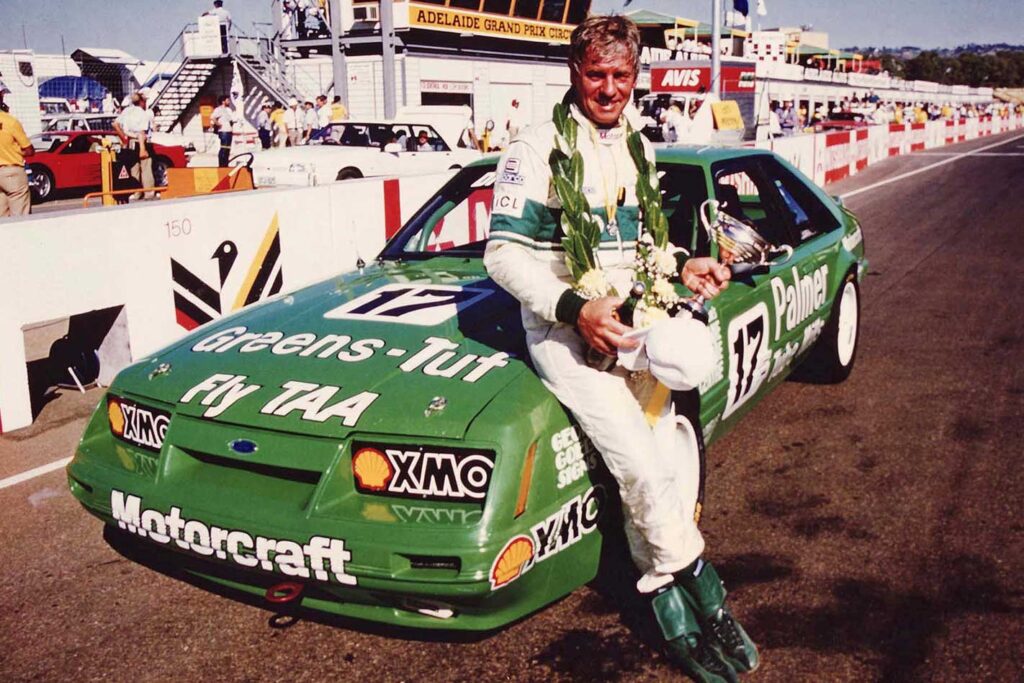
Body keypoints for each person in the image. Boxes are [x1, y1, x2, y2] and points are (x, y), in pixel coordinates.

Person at [483, 14, 756, 683]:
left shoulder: (638, 138)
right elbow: (501, 254)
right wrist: (574, 308)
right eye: (596, 74)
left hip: (631, 315)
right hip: (564, 334)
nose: (609, 88)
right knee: (639, 459)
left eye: (621, 76)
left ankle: (667, 577)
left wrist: (682, 265)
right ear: (574, 72)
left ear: (637, 76)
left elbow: (641, 246)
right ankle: (692, 592)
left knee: (687, 379)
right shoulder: (536, 144)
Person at [113, 90, 154, 200]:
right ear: (141, 102)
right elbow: (141, 132)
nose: (145, 103)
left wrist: (124, 138)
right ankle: (148, 192)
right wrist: (142, 149)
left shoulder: (127, 111)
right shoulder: (142, 113)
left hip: (130, 142)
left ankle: (136, 192)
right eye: (145, 101)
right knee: (145, 167)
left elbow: (115, 124)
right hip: (140, 142)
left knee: (134, 167)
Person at [0, 106, 34, 217]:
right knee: (20, 218)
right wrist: (15, 150)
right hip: (11, 171)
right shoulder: (10, 121)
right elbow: (29, 150)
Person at [211, 94, 235, 166]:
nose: (229, 101)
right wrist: (218, 124)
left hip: (229, 130)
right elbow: (213, 117)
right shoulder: (218, 109)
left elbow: (231, 119)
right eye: (227, 100)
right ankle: (221, 164)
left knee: (228, 148)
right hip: (223, 131)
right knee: (224, 148)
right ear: (223, 101)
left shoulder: (229, 110)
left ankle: (225, 163)